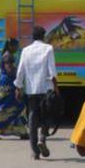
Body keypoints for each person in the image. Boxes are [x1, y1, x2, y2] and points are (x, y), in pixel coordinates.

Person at [15, 26, 58, 160]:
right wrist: (56, 87)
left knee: (32, 118)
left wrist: (18, 87)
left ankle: (34, 151)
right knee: (47, 114)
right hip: (46, 89)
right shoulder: (48, 49)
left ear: (32, 37)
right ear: (43, 36)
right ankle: (42, 138)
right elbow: (52, 71)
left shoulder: (26, 51)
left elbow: (20, 70)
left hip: (31, 89)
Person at [0, 38, 28, 140]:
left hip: (9, 84)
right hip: (7, 86)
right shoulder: (8, 56)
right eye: (15, 46)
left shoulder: (8, 55)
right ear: (10, 46)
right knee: (5, 107)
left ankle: (20, 131)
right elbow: (10, 70)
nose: (17, 48)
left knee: (17, 106)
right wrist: (21, 73)